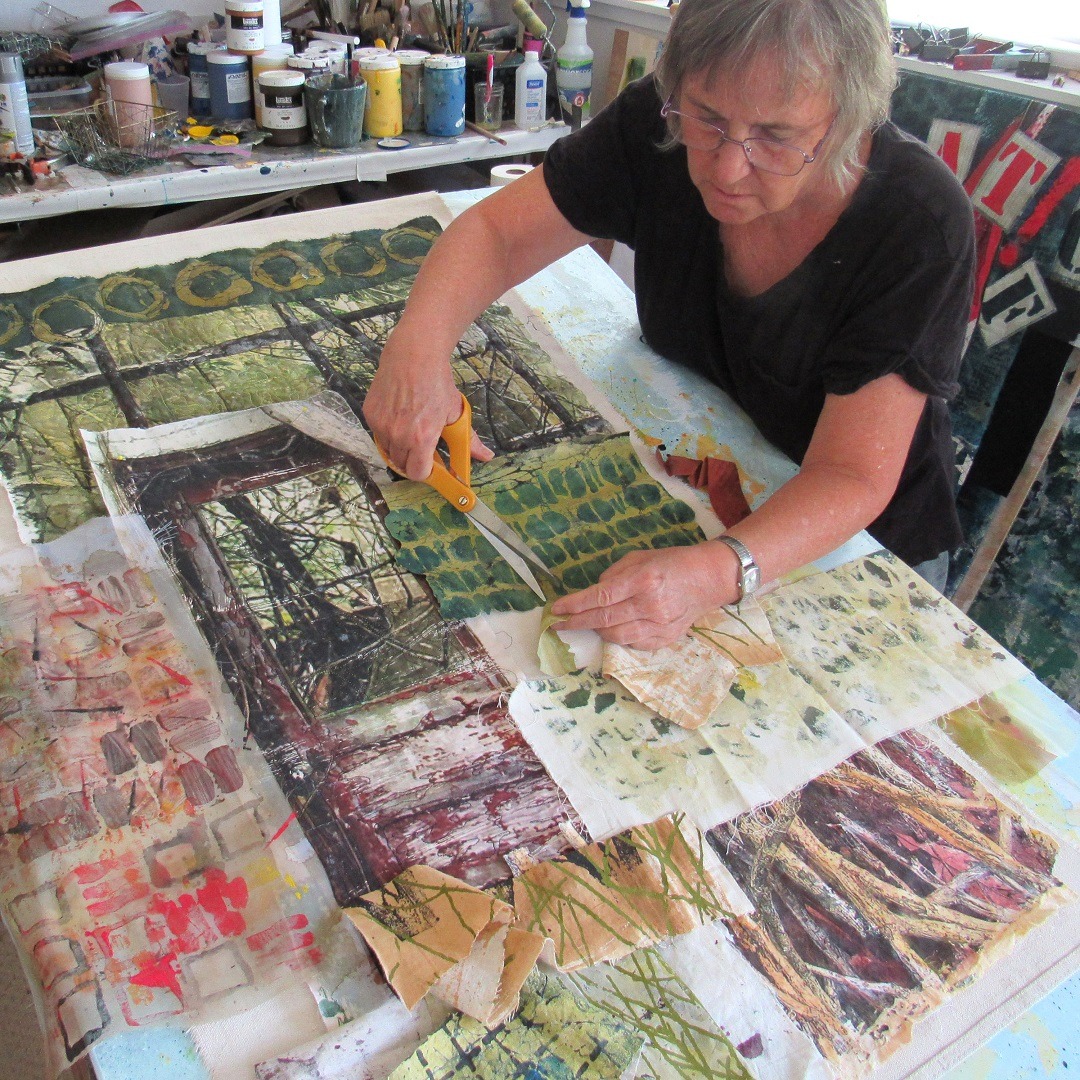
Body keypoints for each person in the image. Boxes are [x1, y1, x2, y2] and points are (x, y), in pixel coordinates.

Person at [363, 0, 976, 652]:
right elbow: (495, 233)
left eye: (774, 136)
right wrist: (416, 353)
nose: (726, 168)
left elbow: (852, 474)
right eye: (706, 118)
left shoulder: (917, 224)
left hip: (858, 544)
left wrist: (718, 571)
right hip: (711, 468)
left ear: (848, 118)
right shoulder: (656, 123)